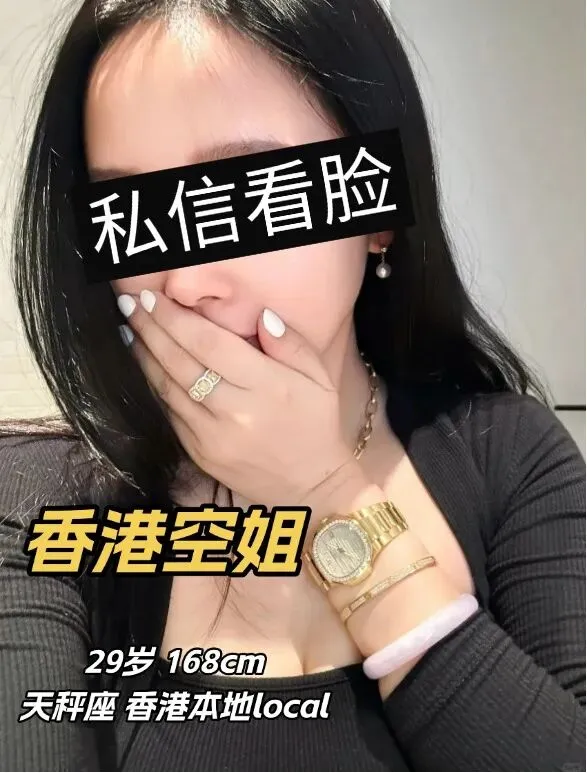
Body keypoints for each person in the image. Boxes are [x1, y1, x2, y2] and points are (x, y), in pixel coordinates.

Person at [1, 0, 585, 770]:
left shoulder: (507, 455)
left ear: (375, 213)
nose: (186, 281)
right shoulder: (42, 497)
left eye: (242, 196)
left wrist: (326, 491)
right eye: (136, 215)